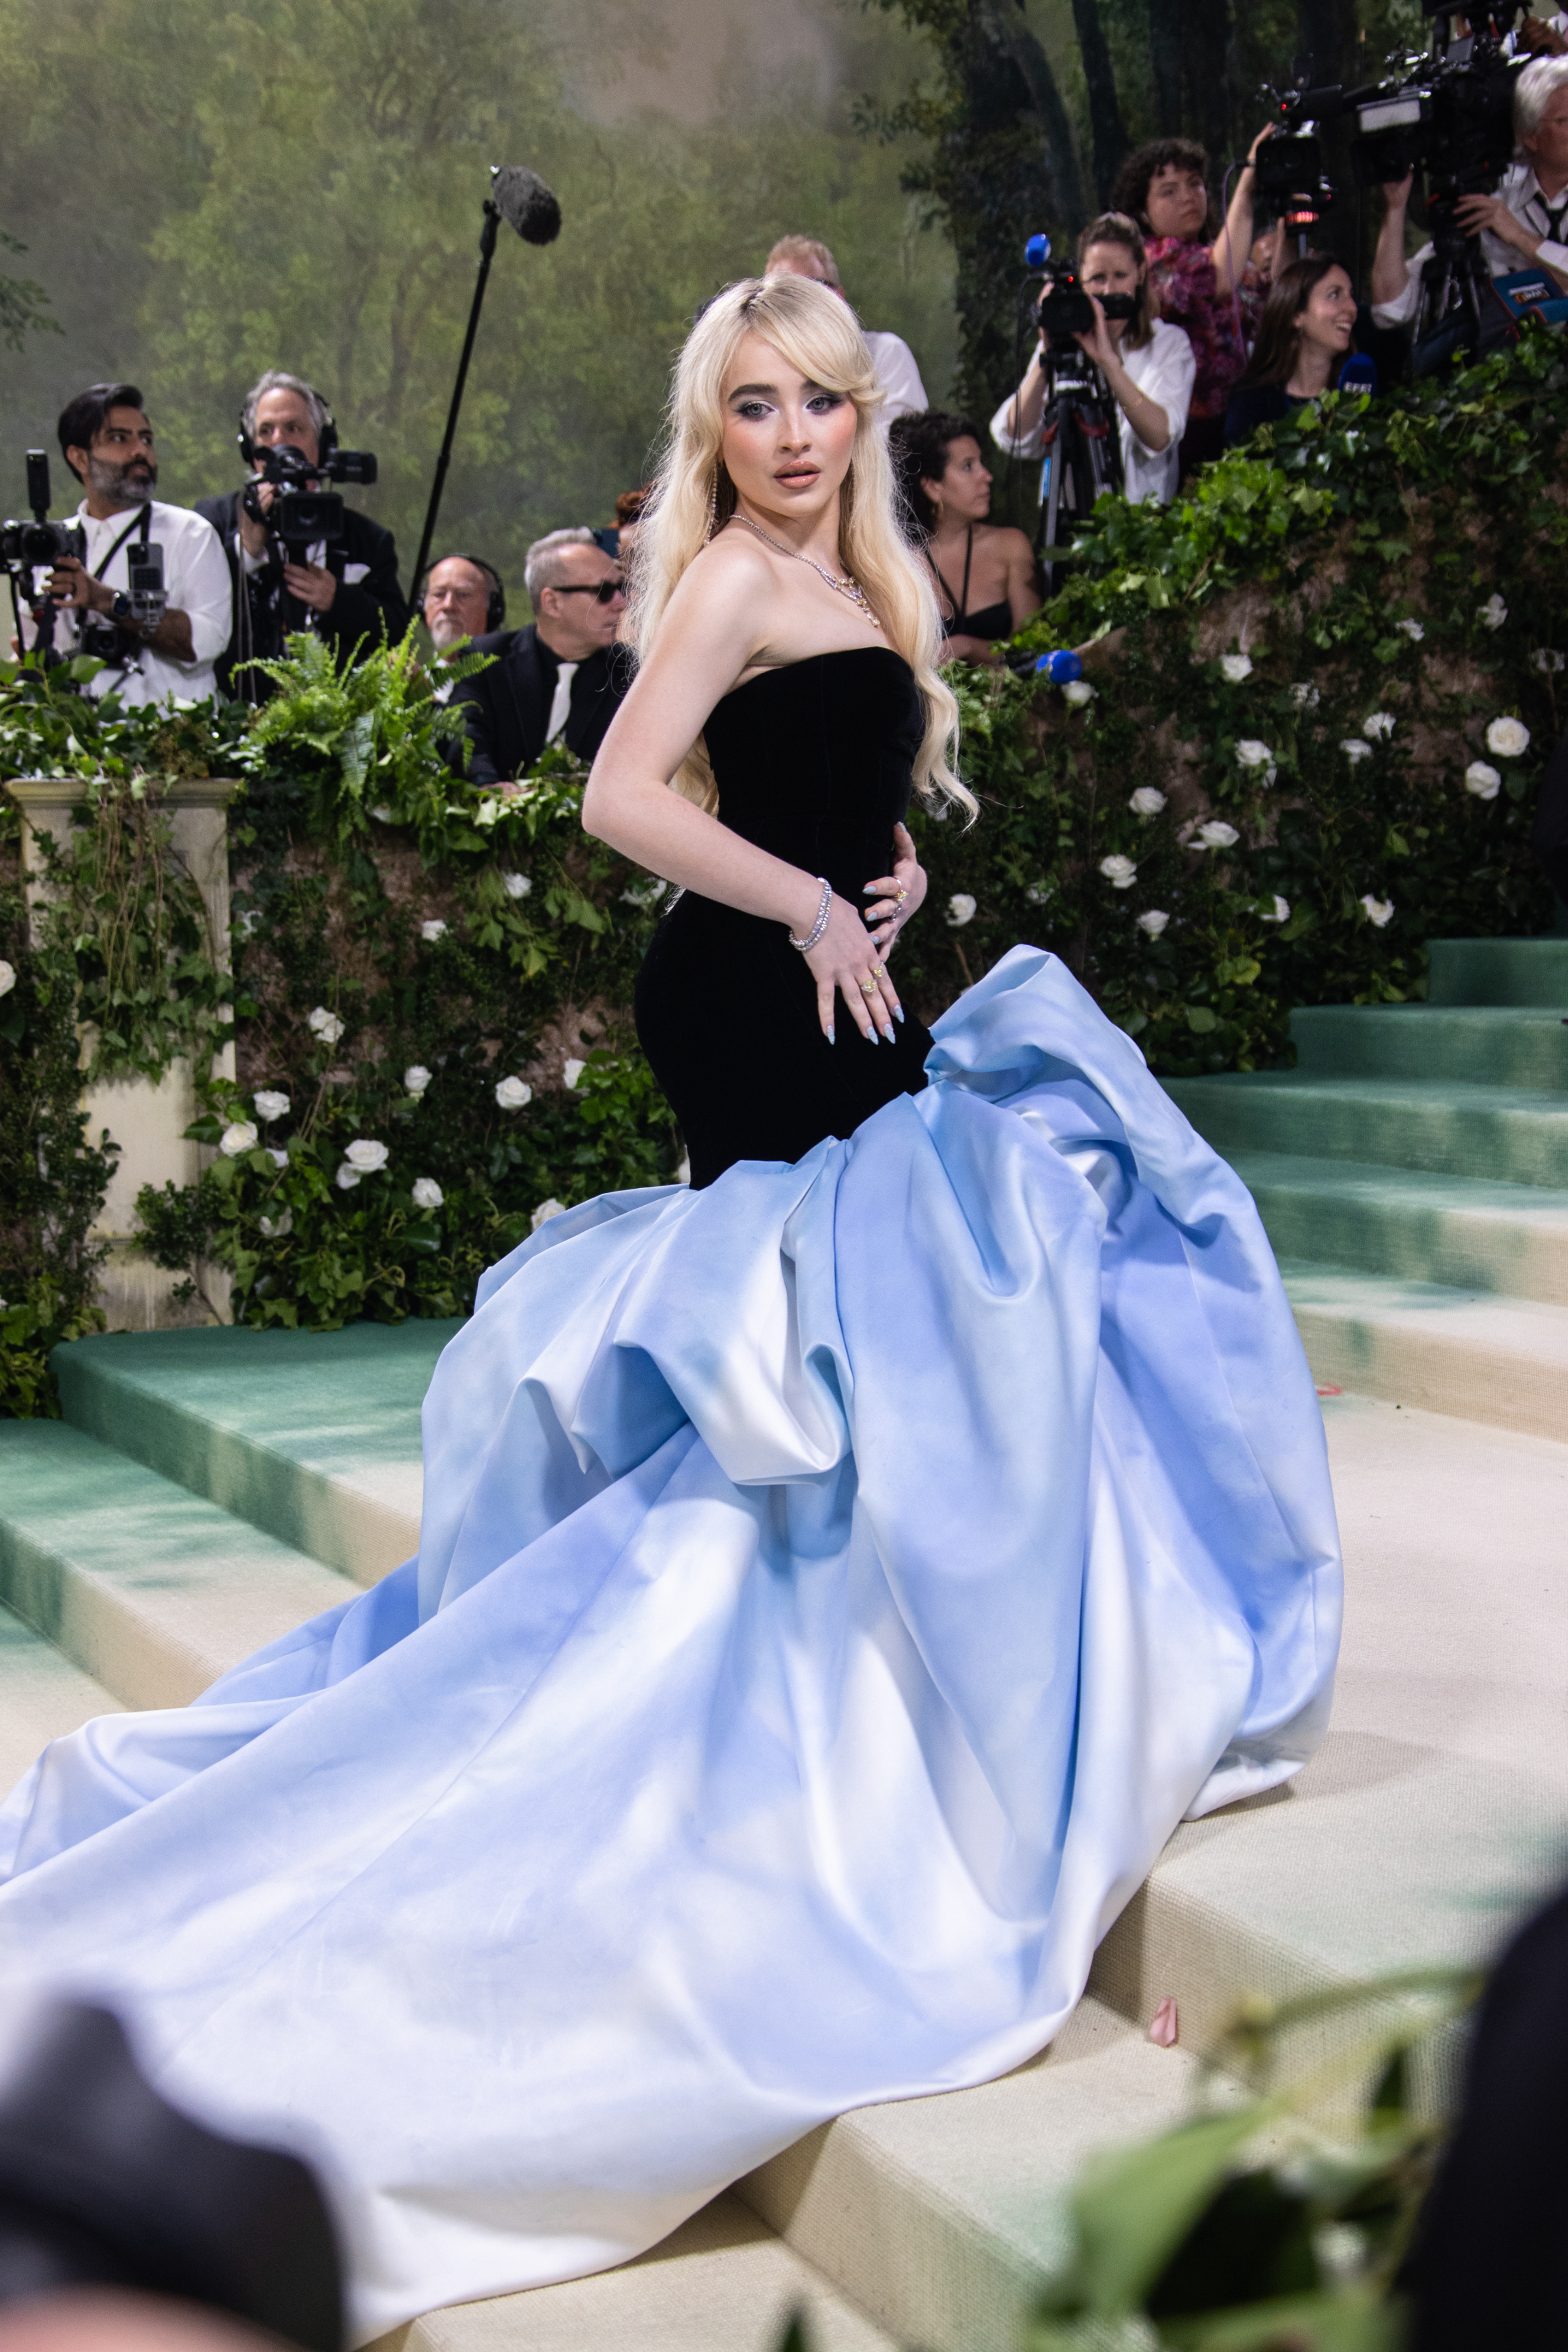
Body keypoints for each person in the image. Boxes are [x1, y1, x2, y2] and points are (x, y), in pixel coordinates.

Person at [0, 272, 1341, 2345]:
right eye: (754, 405)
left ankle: (907, 1644)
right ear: (709, 425)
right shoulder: (714, 576)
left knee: (953, 1279)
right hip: (751, 999)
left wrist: (879, 866)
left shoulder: (869, 568)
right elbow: (631, 793)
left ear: (859, 416)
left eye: (820, 401)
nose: (793, 434)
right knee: (858, 1310)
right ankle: (826, 1673)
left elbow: (829, 782)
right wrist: (800, 895)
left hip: (831, 968)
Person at [196, 371, 410, 702]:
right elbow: (197, 618)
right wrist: (247, 552)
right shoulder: (213, 522)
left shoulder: (367, 539)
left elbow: (397, 630)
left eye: (293, 429)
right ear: (250, 448)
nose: (279, 441)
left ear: (323, 445)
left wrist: (338, 600)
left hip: (338, 727)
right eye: (266, 431)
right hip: (235, 722)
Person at [18, 383, 231, 707]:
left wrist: (107, 601)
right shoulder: (49, 546)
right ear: (79, 459)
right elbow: (35, 653)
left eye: (146, 439)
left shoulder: (190, 533)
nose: (140, 451)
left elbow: (208, 641)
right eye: (120, 438)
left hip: (174, 745)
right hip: (76, 749)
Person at [990, 213, 1197, 509]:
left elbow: (1159, 436)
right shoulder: (1064, 343)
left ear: (1140, 274)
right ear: (1082, 281)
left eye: (1120, 276)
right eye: (1098, 278)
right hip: (1070, 522)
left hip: (1143, 522)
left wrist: (1109, 363)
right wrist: (1047, 353)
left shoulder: (1168, 344)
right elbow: (1016, 434)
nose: (1109, 291)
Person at [1111, 129, 1275, 479]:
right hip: (1183, 434)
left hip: (1238, 418)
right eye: (1168, 191)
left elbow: (1275, 310)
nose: (1188, 197)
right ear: (1142, 211)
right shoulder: (1149, 262)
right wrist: (1247, 187)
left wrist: (1289, 224)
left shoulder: (1220, 252)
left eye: (1195, 184)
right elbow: (1216, 279)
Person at [1371, 54, 1568, 330]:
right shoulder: (1493, 210)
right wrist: (1394, 209)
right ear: (1530, 136)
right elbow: (1390, 310)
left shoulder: (1503, 220)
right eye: (1565, 120)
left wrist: (1522, 239)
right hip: (1509, 369)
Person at [446, 527, 629, 785]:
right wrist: (490, 788)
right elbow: (464, 736)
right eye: (604, 591)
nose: (621, 602)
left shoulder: (632, 672)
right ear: (552, 602)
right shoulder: (486, 659)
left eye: (622, 587)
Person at [887, 410, 1040, 661]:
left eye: (981, 463)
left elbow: (1034, 650)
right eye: (968, 467)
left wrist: (967, 647)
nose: (987, 477)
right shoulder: (899, 565)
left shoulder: (1011, 546)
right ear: (932, 486)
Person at [765, 233, 928, 430]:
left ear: (839, 296)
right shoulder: (760, 367)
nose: (801, 301)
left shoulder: (885, 353)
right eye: (784, 293)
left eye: (813, 287)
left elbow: (902, 447)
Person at [1225, 255, 1358, 444]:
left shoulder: (1359, 394)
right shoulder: (1251, 401)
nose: (1352, 308)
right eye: (1335, 295)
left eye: (1351, 295)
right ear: (1296, 315)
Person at [417, 553, 506, 656]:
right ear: (423, 605)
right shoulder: (405, 671)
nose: (448, 605)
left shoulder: (514, 672)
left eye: (463, 595)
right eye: (439, 595)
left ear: (492, 608)